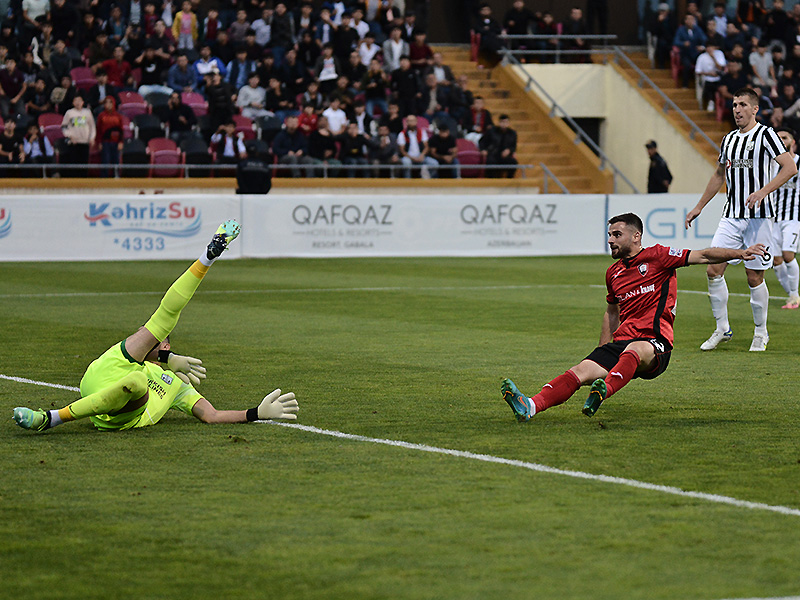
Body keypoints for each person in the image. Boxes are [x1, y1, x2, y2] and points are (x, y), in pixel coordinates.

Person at [13, 222, 300, 433]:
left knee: (138, 379)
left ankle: (49, 418)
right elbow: (163, 319)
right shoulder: (128, 357)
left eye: (164, 344)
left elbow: (211, 416)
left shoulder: (176, 386)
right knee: (159, 322)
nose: (157, 341)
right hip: (101, 376)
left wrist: (256, 413)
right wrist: (167, 357)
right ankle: (207, 257)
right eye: (158, 345)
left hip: (122, 414)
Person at [501, 213, 767, 422]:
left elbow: (705, 255)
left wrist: (740, 254)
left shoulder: (659, 257)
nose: (610, 240)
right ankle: (531, 405)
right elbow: (611, 311)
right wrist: (603, 348)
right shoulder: (613, 273)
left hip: (656, 342)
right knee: (581, 370)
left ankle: (603, 391)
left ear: (636, 236)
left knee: (635, 349)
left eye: (617, 234)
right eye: (609, 235)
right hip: (623, 343)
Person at [685, 87, 797, 352]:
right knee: (712, 269)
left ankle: (761, 332)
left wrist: (763, 191)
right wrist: (699, 206)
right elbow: (718, 174)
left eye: (743, 104)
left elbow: (789, 167)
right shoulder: (728, 140)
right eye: (735, 104)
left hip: (759, 217)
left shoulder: (767, 135)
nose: (737, 109)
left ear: (755, 109)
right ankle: (722, 328)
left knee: (754, 276)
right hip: (731, 216)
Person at [771, 127, 800, 308]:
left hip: (793, 217)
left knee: (788, 255)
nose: (781, 140)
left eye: (785, 137)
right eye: (778, 138)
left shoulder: (799, 163)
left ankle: (795, 296)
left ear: (793, 142)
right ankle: (791, 294)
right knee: (776, 260)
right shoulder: (772, 165)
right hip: (774, 219)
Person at [482, 114, 517, 178]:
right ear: (499, 122)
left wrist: (509, 150)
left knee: (513, 162)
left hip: (505, 156)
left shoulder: (512, 133)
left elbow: (513, 146)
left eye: (506, 122)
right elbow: (482, 141)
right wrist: (483, 150)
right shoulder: (492, 131)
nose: (504, 124)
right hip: (493, 154)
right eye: (502, 122)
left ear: (508, 123)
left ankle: (509, 179)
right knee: (490, 162)